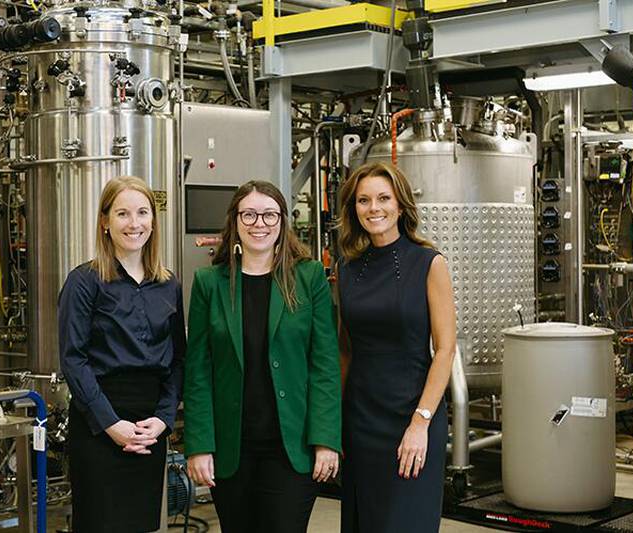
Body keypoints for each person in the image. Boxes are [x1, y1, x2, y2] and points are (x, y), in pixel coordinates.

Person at [183, 180, 341, 533]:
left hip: (291, 448)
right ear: (235, 221)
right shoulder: (210, 283)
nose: (259, 223)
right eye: (249, 214)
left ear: (283, 221)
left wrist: (326, 439)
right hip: (230, 450)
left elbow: (325, 365)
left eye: (270, 215)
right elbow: (197, 371)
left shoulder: (308, 277)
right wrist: (199, 446)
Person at [58, 176, 186, 533]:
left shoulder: (169, 284)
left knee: (141, 524)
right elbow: (73, 359)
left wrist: (162, 419)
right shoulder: (84, 282)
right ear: (105, 222)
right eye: (123, 213)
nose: (134, 223)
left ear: (153, 220)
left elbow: (178, 359)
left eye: (143, 212)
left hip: (149, 426)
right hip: (99, 424)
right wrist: (112, 425)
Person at [337, 162, 457, 532]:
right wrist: (333, 422)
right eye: (364, 200)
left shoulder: (428, 262)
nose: (374, 208)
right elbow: (345, 349)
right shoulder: (346, 268)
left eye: (383, 198)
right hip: (360, 419)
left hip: (412, 414)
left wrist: (420, 423)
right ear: (354, 209)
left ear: (400, 206)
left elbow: (446, 349)